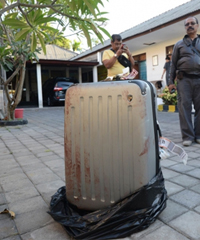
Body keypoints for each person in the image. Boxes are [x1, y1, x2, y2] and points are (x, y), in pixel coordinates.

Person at [168, 16, 200, 146]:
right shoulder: (179, 44)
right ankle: (187, 136)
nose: (190, 26)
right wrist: (170, 82)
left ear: (197, 26)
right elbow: (173, 64)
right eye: (187, 24)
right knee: (184, 108)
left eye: (192, 23)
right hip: (184, 80)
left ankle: (198, 135)